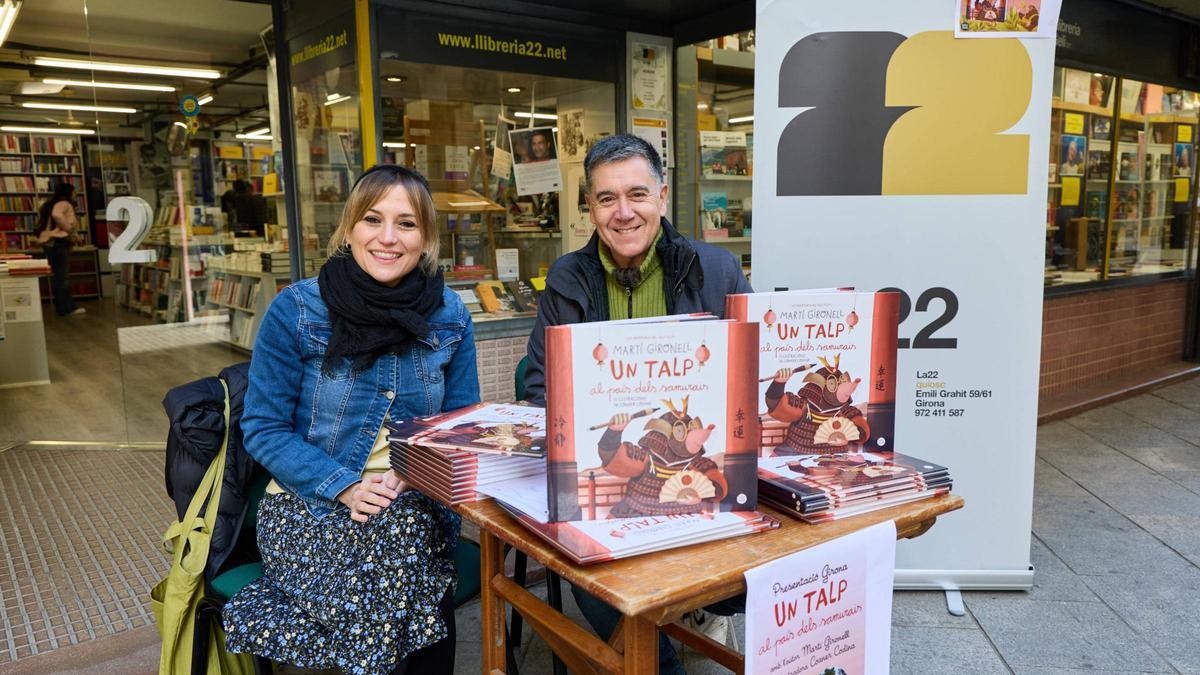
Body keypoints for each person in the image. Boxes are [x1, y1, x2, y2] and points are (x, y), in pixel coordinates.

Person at [223, 164, 480, 675]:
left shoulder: (450, 313)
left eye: (406, 224)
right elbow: (263, 429)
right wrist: (345, 487)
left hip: (411, 498)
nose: (388, 238)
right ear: (348, 228)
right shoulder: (296, 310)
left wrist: (410, 474)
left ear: (426, 237)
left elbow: (461, 424)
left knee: (404, 539)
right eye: (373, 219)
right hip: (309, 504)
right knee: (414, 580)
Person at [523, 133, 751, 674]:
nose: (623, 213)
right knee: (593, 569)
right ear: (590, 209)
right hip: (610, 479)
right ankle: (659, 661)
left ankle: (703, 607)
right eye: (606, 199)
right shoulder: (567, 278)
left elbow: (746, 377)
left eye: (637, 194)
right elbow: (538, 388)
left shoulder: (716, 270)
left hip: (698, 475)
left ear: (663, 197)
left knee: (747, 578)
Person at [35, 182, 85, 316]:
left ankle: (63, 307)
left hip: (50, 243)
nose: (75, 195)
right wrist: (70, 230)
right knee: (62, 277)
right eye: (74, 192)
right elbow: (58, 216)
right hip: (58, 242)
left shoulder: (49, 204)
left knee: (58, 277)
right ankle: (66, 308)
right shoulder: (64, 204)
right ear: (68, 193)